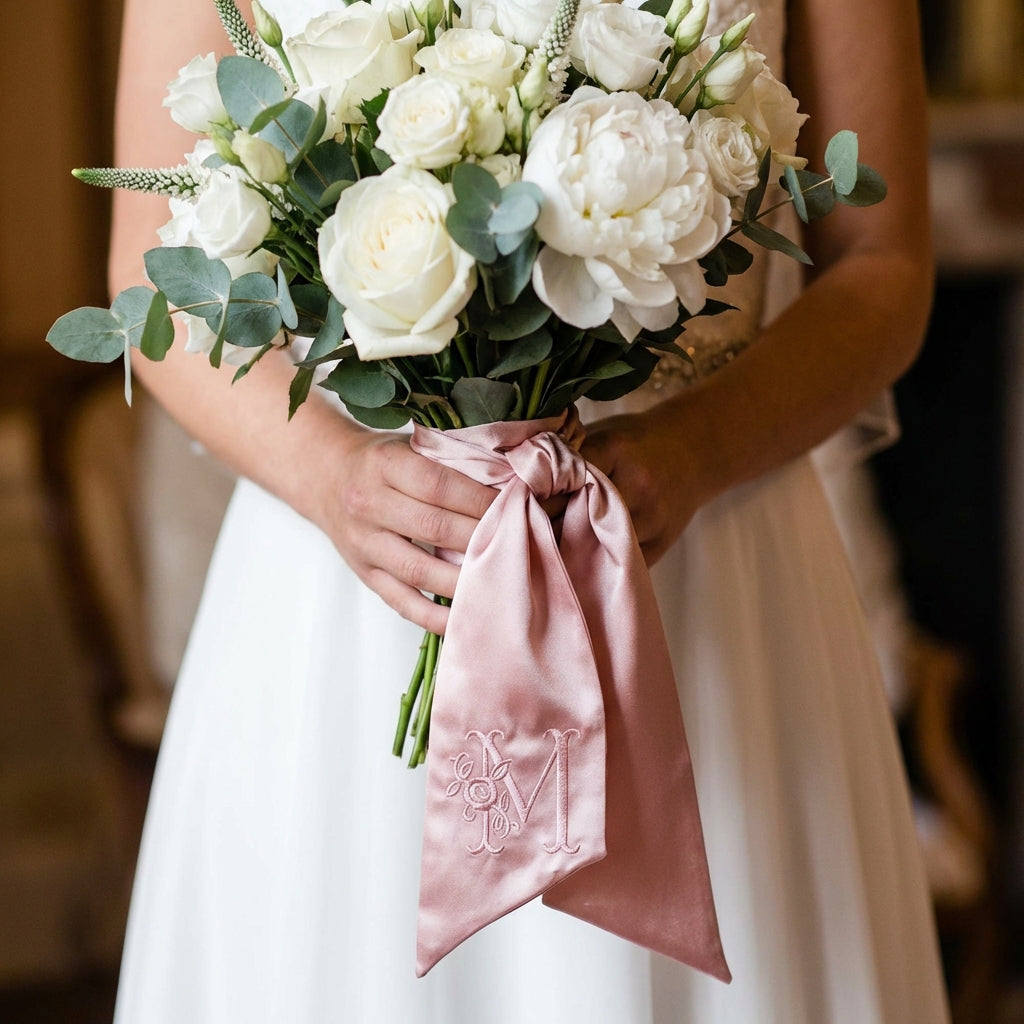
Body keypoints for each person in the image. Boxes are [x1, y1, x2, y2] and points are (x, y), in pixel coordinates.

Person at [109, 0, 951, 1020]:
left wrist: (699, 450)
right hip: (356, 594)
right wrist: (335, 478)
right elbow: (147, 279)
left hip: (700, 567)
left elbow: (882, 265)